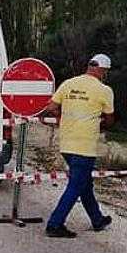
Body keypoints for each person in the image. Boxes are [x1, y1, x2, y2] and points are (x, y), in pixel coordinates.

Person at [43, 54, 116, 238]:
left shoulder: (69, 83)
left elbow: (50, 107)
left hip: (66, 143)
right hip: (85, 146)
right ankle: (55, 224)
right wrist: (98, 125)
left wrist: (62, 117)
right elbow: (109, 119)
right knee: (76, 185)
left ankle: (97, 219)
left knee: (84, 184)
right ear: (102, 70)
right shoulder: (104, 90)